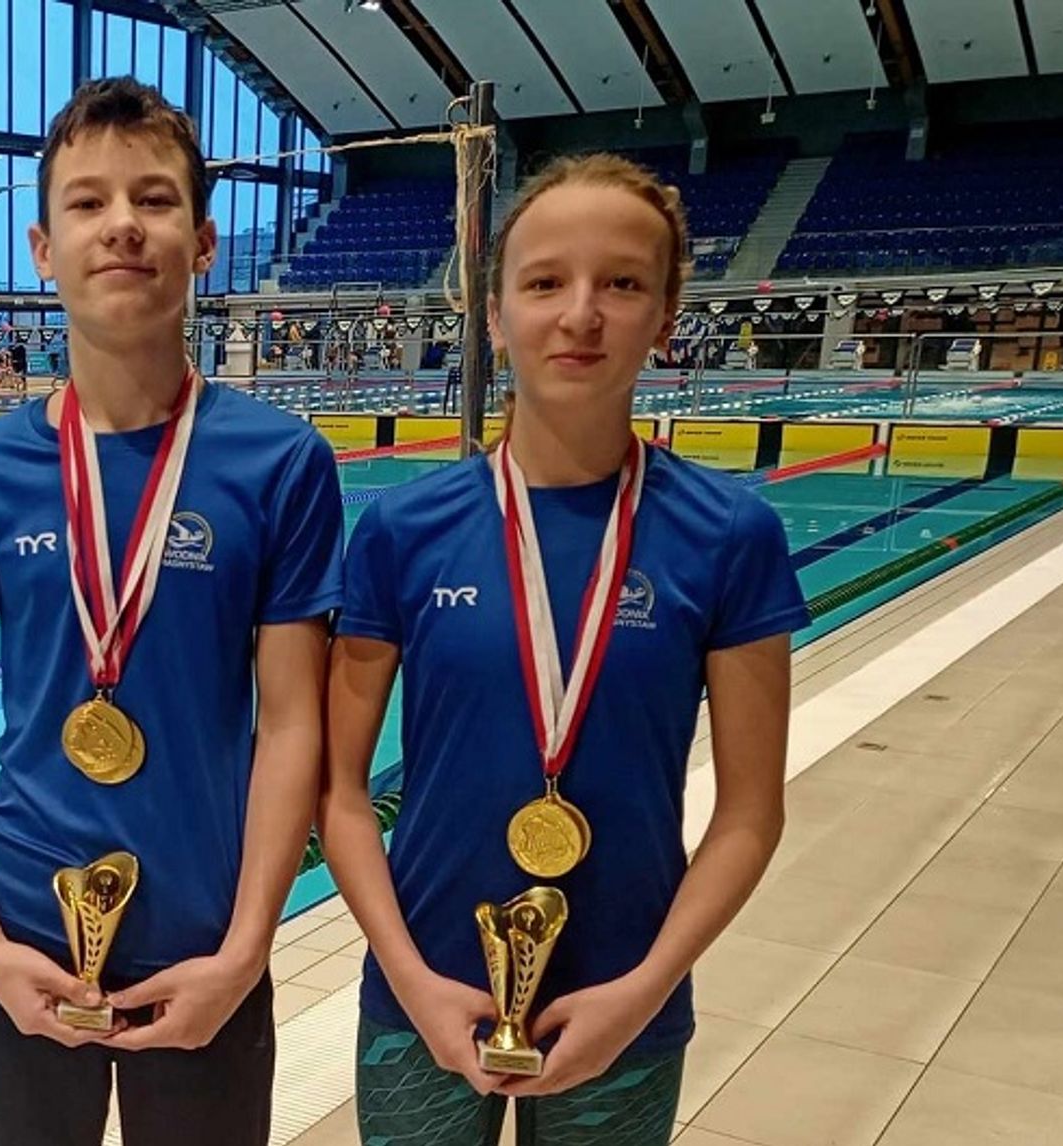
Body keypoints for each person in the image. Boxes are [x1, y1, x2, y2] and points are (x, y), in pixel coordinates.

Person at [318, 153, 809, 1146]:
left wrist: (644, 988)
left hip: (625, 996)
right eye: (544, 282)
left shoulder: (729, 536)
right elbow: (338, 794)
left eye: (621, 283)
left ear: (665, 316)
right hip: (421, 996)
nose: (580, 314)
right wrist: (410, 978)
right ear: (494, 315)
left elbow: (750, 816)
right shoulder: (403, 532)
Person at [0, 77, 344, 1146]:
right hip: (21, 932)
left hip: (204, 938)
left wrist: (247, 948)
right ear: (44, 250)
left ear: (203, 244)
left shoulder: (281, 463)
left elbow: (294, 722)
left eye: (154, 199)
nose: (123, 225)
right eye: (88, 202)